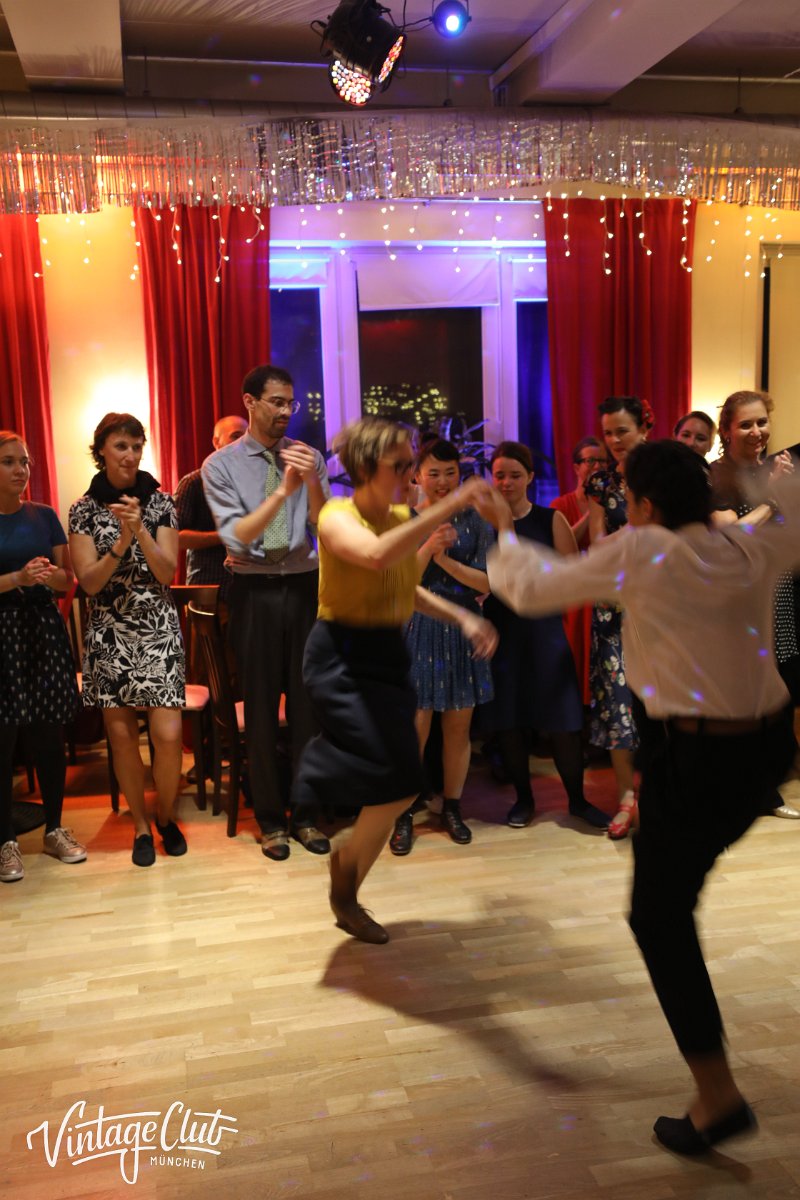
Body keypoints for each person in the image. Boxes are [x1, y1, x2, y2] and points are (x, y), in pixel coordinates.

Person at [480, 439, 800, 1155]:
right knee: (673, 888)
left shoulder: (643, 549)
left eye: (627, 495)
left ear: (646, 504)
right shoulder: (747, 543)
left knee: (658, 917)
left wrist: (502, 527)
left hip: (699, 759)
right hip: (766, 752)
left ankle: (717, 1099)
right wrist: (761, 482)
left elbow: (531, 589)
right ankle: (715, 1092)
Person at [292, 417, 497, 944]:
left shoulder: (402, 516)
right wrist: (452, 503)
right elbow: (376, 556)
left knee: (404, 784)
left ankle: (345, 879)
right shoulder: (337, 516)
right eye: (401, 466)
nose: (410, 475)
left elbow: (401, 587)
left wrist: (464, 617)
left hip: (384, 655)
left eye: (410, 465)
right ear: (366, 469)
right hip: (340, 657)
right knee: (388, 772)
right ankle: (344, 880)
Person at [202, 365, 331, 861]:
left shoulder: (307, 455)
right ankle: (271, 821)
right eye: (276, 401)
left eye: (290, 403)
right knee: (258, 710)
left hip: (302, 585)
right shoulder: (221, 466)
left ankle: (306, 815)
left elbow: (321, 523)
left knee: (307, 707)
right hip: (253, 589)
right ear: (250, 402)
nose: (285, 411)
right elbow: (238, 537)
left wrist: (311, 479)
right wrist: (283, 488)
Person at [69, 413, 186, 868]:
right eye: (122, 446)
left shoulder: (161, 502)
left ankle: (166, 816)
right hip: (108, 630)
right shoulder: (82, 510)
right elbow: (90, 582)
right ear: (101, 450)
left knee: (168, 736)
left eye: (137, 446)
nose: (131, 455)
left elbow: (167, 572)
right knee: (121, 738)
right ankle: (140, 825)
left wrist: (139, 530)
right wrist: (121, 541)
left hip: (157, 627)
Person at [480, 442, 608, 830]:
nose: (506, 482)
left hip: (545, 631)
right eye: (499, 475)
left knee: (564, 722)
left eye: (515, 475)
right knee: (510, 723)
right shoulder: (482, 523)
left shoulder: (550, 519)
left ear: (530, 478)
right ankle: (523, 800)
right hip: (501, 633)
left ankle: (577, 801)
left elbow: (570, 575)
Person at [390, 438, 494, 855]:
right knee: (415, 725)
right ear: (417, 476)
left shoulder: (476, 520)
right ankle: (403, 812)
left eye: (450, 473)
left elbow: (488, 581)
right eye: (433, 473)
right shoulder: (404, 520)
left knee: (459, 726)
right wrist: (429, 547)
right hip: (418, 625)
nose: (443, 480)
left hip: (464, 628)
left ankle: (452, 806)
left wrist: (446, 562)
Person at [709, 389, 800, 820]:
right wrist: (773, 497)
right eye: (745, 424)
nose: (757, 431)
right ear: (726, 431)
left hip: (780, 598)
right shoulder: (717, 476)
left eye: (762, 422)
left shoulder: (772, 470)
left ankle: (763, 785)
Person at [0, 431, 85, 882]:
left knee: (48, 732)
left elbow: (67, 579)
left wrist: (48, 576)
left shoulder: (45, 515)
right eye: (10, 462)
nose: (21, 470)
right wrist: (16, 578)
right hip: (3, 631)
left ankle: (54, 828)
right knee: (3, 738)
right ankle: (5, 841)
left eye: (25, 461)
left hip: (42, 629)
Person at [586, 396, 651, 839]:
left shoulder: (668, 474)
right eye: (608, 432)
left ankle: (663, 795)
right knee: (618, 703)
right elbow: (596, 544)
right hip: (613, 606)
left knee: (663, 703)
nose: (613, 440)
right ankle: (627, 799)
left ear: (644, 428)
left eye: (622, 431)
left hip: (662, 605)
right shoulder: (601, 482)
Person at [550, 437, 607, 703]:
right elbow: (561, 546)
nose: (597, 466)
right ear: (576, 467)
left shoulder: (613, 504)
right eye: (590, 461)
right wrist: (592, 511)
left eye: (602, 461)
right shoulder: (561, 506)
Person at [175, 414, 248, 597]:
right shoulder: (194, 483)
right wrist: (226, 535)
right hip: (208, 591)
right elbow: (175, 537)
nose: (243, 442)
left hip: (251, 590)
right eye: (235, 436)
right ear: (216, 442)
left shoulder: (256, 483)